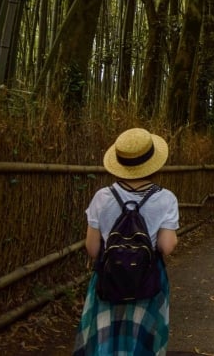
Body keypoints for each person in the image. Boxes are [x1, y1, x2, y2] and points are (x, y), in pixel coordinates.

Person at [74, 128, 179, 355]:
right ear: (153, 162)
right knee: (142, 344)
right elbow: (166, 246)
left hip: (108, 279)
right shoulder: (166, 198)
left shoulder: (102, 197)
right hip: (148, 280)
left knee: (105, 340)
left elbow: (92, 249)